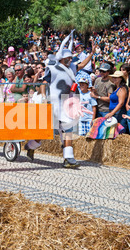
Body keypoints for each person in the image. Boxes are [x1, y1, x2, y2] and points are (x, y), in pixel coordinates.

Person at [24, 31, 97, 168]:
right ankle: (30, 146)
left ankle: (68, 158)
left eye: (70, 58)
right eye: (67, 58)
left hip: (67, 103)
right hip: (54, 103)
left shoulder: (73, 68)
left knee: (67, 129)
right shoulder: (52, 68)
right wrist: (45, 97)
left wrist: (91, 54)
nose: (70, 60)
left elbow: (81, 65)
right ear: (61, 59)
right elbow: (44, 83)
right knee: (45, 131)